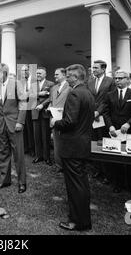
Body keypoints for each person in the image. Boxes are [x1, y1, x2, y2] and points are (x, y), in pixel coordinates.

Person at [51, 64, 95, 231]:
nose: (66, 78)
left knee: (75, 186)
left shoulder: (75, 93)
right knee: (81, 183)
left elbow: (70, 121)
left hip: (73, 147)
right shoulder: (88, 93)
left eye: (68, 76)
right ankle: (83, 219)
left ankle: (78, 221)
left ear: (75, 77)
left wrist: (55, 122)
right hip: (82, 144)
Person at [103, 70, 131, 194]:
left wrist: (129, 123)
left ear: (128, 80)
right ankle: (118, 183)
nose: (117, 81)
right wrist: (110, 126)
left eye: (120, 78)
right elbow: (106, 112)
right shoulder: (109, 95)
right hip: (114, 132)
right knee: (116, 158)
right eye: (116, 78)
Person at [0, 63, 27, 193]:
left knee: (18, 154)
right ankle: (5, 180)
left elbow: (23, 102)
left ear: (4, 73)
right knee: (3, 152)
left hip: (14, 123)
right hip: (1, 124)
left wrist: (20, 121)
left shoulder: (16, 83)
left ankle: (22, 182)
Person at [88, 60, 116, 183]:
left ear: (103, 69)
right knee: (94, 142)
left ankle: (108, 173)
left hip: (104, 116)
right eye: (93, 68)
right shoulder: (90, 81)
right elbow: (89, 98)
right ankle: (97, 169)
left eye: (96, 68)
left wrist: (98, 112)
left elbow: (108, 100)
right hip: (92, 117)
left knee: (104, 143)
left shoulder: (110, 81)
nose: (93, 70)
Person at [48, 68, 71, 171]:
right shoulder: (53, 88)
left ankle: (66, 164)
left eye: (57, 74)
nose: (55, 76)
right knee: (56, 142)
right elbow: (51, 101)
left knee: (65, 142)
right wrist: (49, 107)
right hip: (54, 118)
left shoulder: (70, 87)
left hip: (65, 118)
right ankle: (59, 165)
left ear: (64, 75)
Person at [30, 67, 54, 165]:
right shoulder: (33, 85)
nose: (38, 75)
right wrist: (39, 93)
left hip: (44, 112)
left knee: (45, 136)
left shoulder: (50, 84)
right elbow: (30, 96)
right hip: (35, 112)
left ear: (45, 74)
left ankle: (47, 157)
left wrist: (42, 104)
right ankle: (38, 156)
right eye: (37, 73)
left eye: (40, 73)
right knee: (36, 135)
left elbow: (51, 97)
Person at [19, 65, 35, 157]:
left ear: (29, 70)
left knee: (31, 129)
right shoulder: (20, 82)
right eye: (22, 70)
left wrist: (28, 94)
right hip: (22, 107)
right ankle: (25, 148)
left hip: (32, 107)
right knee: (23, 129)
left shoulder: (34, 81)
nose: (23, 72)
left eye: (25, 70)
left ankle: (32, 149)